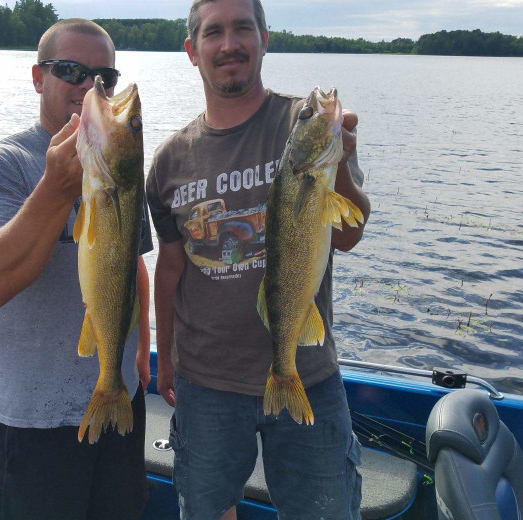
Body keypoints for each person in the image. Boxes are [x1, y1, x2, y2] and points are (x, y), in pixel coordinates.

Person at [146, 0, 371, 519]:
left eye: (243, 28)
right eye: (214, 32)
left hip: (307, 371)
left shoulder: (302, 125)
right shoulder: (169, 162)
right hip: (205, 381)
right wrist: (165, 353)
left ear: (265, 39)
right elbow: (171, 267)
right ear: (191, 51)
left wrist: (334, 156)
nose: (229, 44)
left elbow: (350, 236)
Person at [0, 19, 152, 520]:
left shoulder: (122, 163)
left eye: (104, 77)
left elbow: (134, 268)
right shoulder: (0, 166)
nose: (90, 85)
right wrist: (57, 186)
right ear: (37, 77)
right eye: (71, 70)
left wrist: (143, 354)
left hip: (120, 401)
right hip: (34, 420)